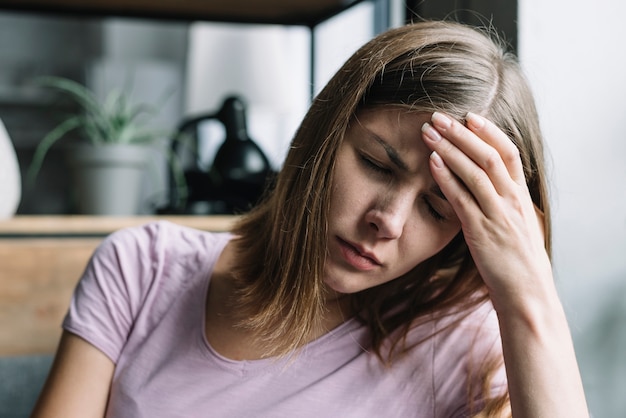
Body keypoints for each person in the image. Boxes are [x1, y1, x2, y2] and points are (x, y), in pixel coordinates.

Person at [31, 20, 589, 417]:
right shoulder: (143, 270)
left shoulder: (463, 344)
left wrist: (529, 296)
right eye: (375, 163)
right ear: (326, 131)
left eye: (436, 207)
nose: (387, 221)